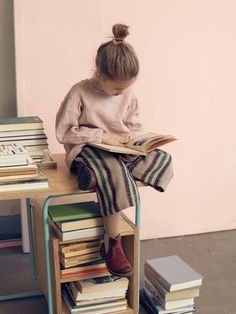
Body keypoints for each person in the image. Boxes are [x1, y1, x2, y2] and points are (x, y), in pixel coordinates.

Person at [56, 23, 173, 277]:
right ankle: (112, 242)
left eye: (126, 88)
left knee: (161, 158)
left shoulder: (128, 94)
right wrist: (101, 135)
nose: (122, 93)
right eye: (117, 88)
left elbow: (134, 125)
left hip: (118, 150)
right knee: (111, 170)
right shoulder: (79, 92)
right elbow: (63, 132)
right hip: (87, 148)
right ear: (99, 74)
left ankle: (100, 177)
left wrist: (135, 143)